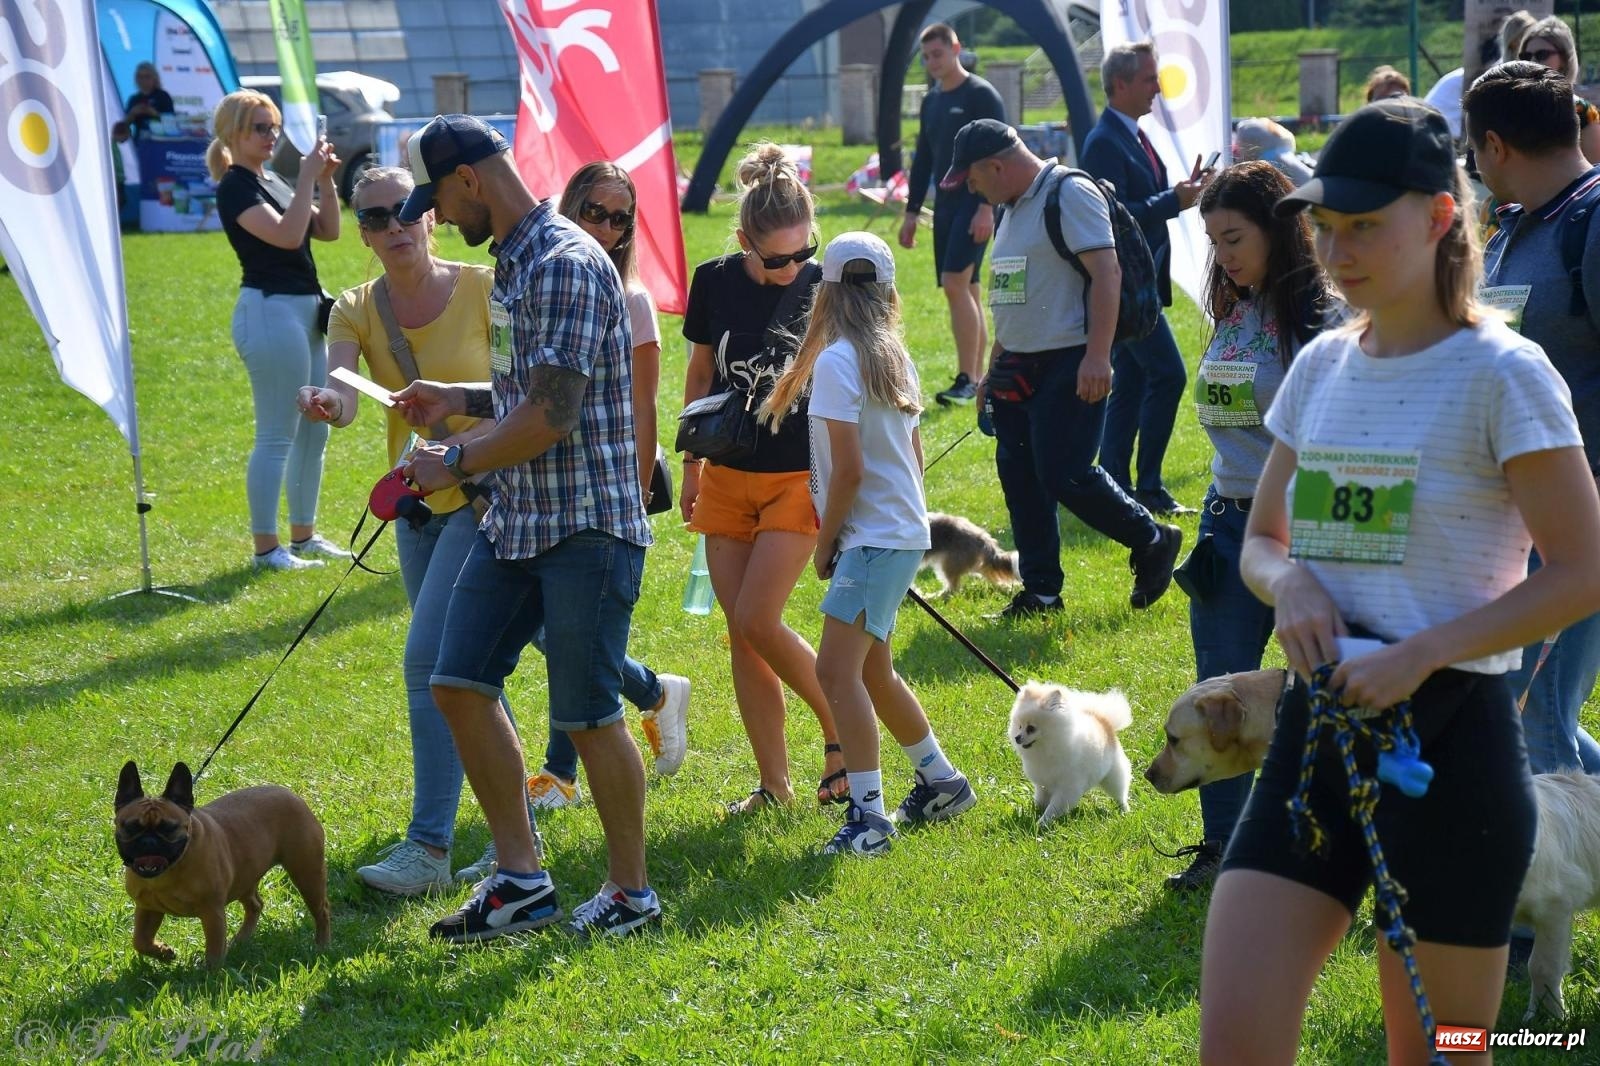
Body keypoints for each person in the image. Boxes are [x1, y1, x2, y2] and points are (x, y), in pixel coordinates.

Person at [1200, 98, 1600, 1065]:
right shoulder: (1325, 363)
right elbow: (1263, 538)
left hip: (1453, 759)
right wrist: (1287, 585)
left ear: (1440, 216)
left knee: (1447, 1053)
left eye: (1365, 226)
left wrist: (1424, 652)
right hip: (1313, 748)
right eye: (1326, 228)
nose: (1337, 252)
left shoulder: (1505, 372)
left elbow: (1585, 571)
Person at [397, 113, 659, 942]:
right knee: (456, 680)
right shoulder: (514, 262)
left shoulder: (565, 263)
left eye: (436, 199)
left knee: (587, 713)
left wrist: (458, 459)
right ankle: (521, 882)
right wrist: (460, 398)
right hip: (521, 519)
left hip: (584, 526)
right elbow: (529, 388)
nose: (435, 218)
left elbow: (552, 414)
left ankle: (632, 895)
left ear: (469, 180)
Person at [294, 165, 548, 895]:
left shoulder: (482, 285)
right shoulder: (353, 308)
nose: (393, 226)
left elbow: (526, 390)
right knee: (467, 671)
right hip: (417, 507)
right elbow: (343, 395)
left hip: (486, 494)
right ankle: (518, 839)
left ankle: (430, 848)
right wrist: (324, 401)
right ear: (364, 233)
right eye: (375, 218)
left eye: (405, 211)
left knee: (430, 668)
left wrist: (467, 448)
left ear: (431, 216)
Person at [762, 231, 978, 854]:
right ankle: (942, 781)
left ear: (823, 290)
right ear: (887, 291)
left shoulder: (835, 361)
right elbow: (910, 455)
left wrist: (828, 543)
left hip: (873, 537)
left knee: (835, 672)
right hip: (896, 533)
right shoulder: (890, 353)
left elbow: (850, 470)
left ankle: (869, 819)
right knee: (872, 670)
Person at [1162, 161, 1335, 893]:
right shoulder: (1232, 312)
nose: (1223, 255)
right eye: (1212, 240)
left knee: (1320, 697)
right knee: (1214, 699)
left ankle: (1325, 843)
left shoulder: (1322, 320)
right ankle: (1223, 850)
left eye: (1234, 237)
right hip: (1226, 526)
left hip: (1306, 539)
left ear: (1278, 229)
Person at [945, 118, 1183, 619]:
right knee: (1019, 474)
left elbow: (1107, 272)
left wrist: (1098, 356)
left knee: (1065, 473)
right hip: (1018, 362)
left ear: (996, 164)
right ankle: (1042, 593)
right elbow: (1010, 295)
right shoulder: (1009, 209)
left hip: (1070, 358)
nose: (970, 188)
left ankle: (1152, 536)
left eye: (971, 178)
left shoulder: (1069, 193)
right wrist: (992, 369)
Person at [681, 143, 850, 812]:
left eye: (802, 255)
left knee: (758, 617)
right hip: (725, 473)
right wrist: (691, 465)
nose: (791, 270)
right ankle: (774, 786)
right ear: (744, 241)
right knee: (742, 635)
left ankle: (840, 731)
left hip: (797, 477)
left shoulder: (829, 287)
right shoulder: (715, 280)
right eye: (775, 258)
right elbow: (699, 375)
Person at [521, 161, 692, 808]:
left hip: (605, 492)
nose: (609, 228)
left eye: (623, 218)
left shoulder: (632, 298)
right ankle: (651, 690)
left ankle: (560, 775)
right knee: (556, 633)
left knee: (572, 641)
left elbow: (646, 406)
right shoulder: (546, 283)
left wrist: (639, 488)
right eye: (595, 211)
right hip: (543, 484)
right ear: (569, 207)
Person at [1466, 61, 1600, 777]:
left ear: (1494, 146)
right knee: (1525, 716)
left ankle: (1533, 888)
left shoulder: (1595, 220)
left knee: (1540, 721)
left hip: (1580, 521)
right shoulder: (1514, 227)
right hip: (1514, 519)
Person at [208, 89, 349, 571]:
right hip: (269, 311)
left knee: (315, 430)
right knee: (277, 433)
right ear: (234, 134)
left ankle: (304, 536)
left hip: (304, 311)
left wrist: (324, 181)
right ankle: (267, 548)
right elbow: (288, 237)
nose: (272, 136)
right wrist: (307, 175)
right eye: (260, 128)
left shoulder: (273, 179)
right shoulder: (236, 186)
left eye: (274, 126)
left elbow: (327, 231)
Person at [1081, 41, 1214, 516]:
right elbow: (1110, 219)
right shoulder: (1103, 142)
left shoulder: (1133, 133)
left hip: (1140, 286)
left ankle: (1115, 485)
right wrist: (1172, 201)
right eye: (1148, 79)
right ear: (1120, 85)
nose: (1158, 87)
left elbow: (1143, 201)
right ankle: (1150, 488)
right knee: (1170, 375)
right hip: (1125, 291)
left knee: (1133, 381)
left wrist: (1181, 193)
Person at [897, 22, 1006, 406]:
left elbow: (1001, 157)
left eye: (937, 54)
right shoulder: (931, 101)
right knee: (967, 288)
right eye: (926, 57)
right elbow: (924, 159)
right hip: (944, 208)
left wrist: (985, 208)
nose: (932, 62)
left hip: (973, 205)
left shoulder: (981, 95)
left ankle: (967, 378)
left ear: (956, 47)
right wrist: (912, 213)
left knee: (955, 284)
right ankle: (976, 378)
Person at [1518, 16, 1600, 165]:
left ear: (1564, 58)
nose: (1532, 62)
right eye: (1526, 56)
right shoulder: (1514, 106)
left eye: (1542, 55)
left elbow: (1595, 175)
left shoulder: (1583, 113)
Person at [124, 62, 174, 137]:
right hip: (140, 141)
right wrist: (132, 113)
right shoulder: (134, 99)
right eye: (140, 77)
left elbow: (172, 122)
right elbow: (123, 126)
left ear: (154, 78)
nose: (143, 80)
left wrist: (155, 114)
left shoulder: (163, 96)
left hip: (161, 140)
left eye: (147, 77)